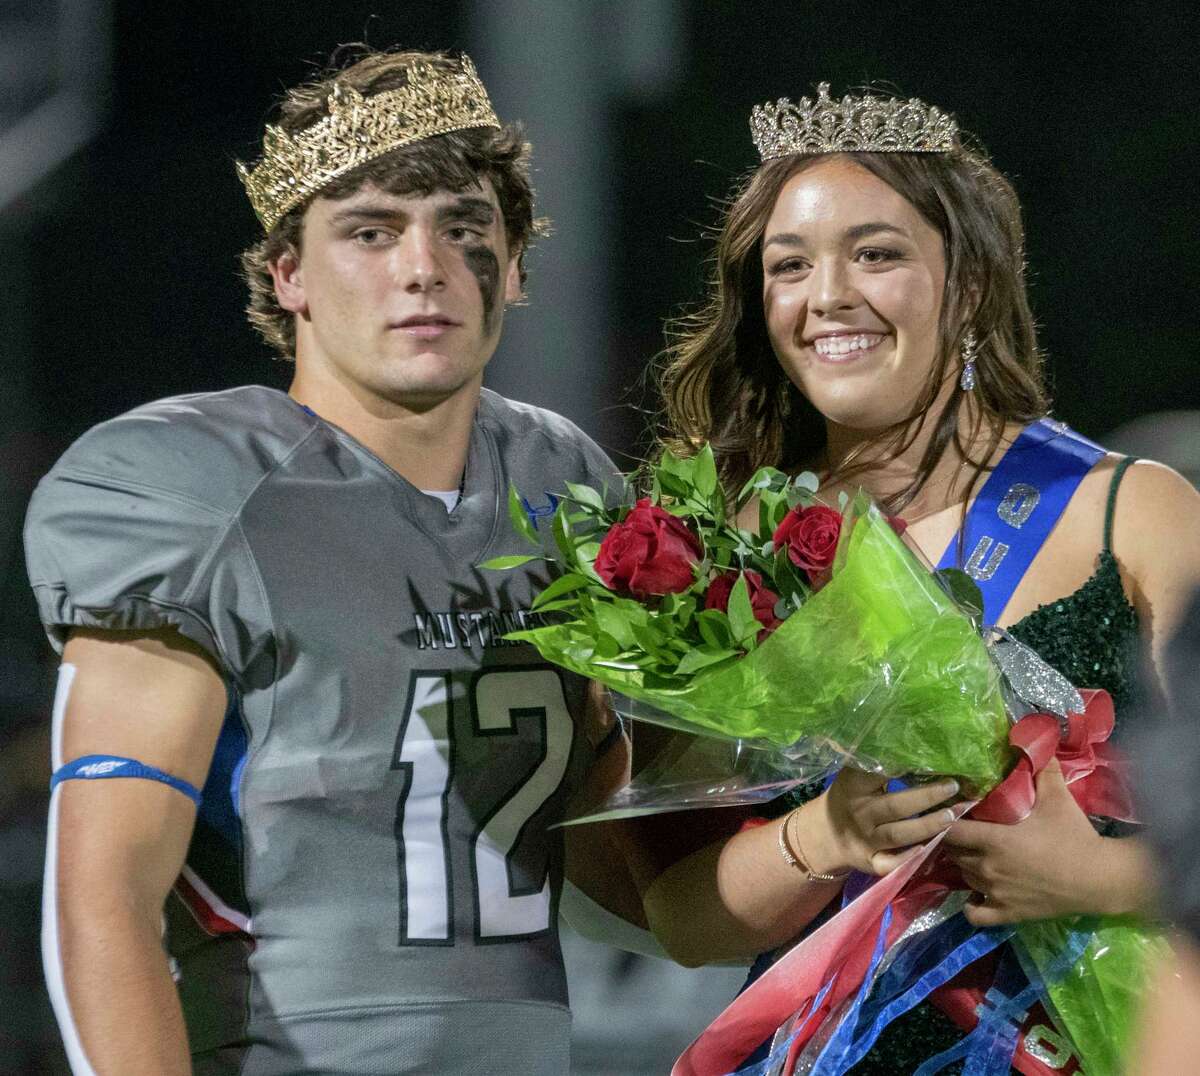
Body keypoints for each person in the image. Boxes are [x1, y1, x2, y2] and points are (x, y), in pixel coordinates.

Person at [25, 48, 637, 1075]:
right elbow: (102, 895)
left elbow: (635, 880)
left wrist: (830, 820)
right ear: (289, 274)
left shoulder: (561, 480)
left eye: (464, 227)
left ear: (517, 263)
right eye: (369, 230)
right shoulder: (194, 485)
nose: (422, 265)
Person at [632, 83, 1200, 1072]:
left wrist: (1103, 873)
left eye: (878, 253)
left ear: (969, 284)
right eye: (789, 265)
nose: (829, 296)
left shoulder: (1131, 511)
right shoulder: (727, 555)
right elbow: (683, 917)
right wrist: (827, 831)